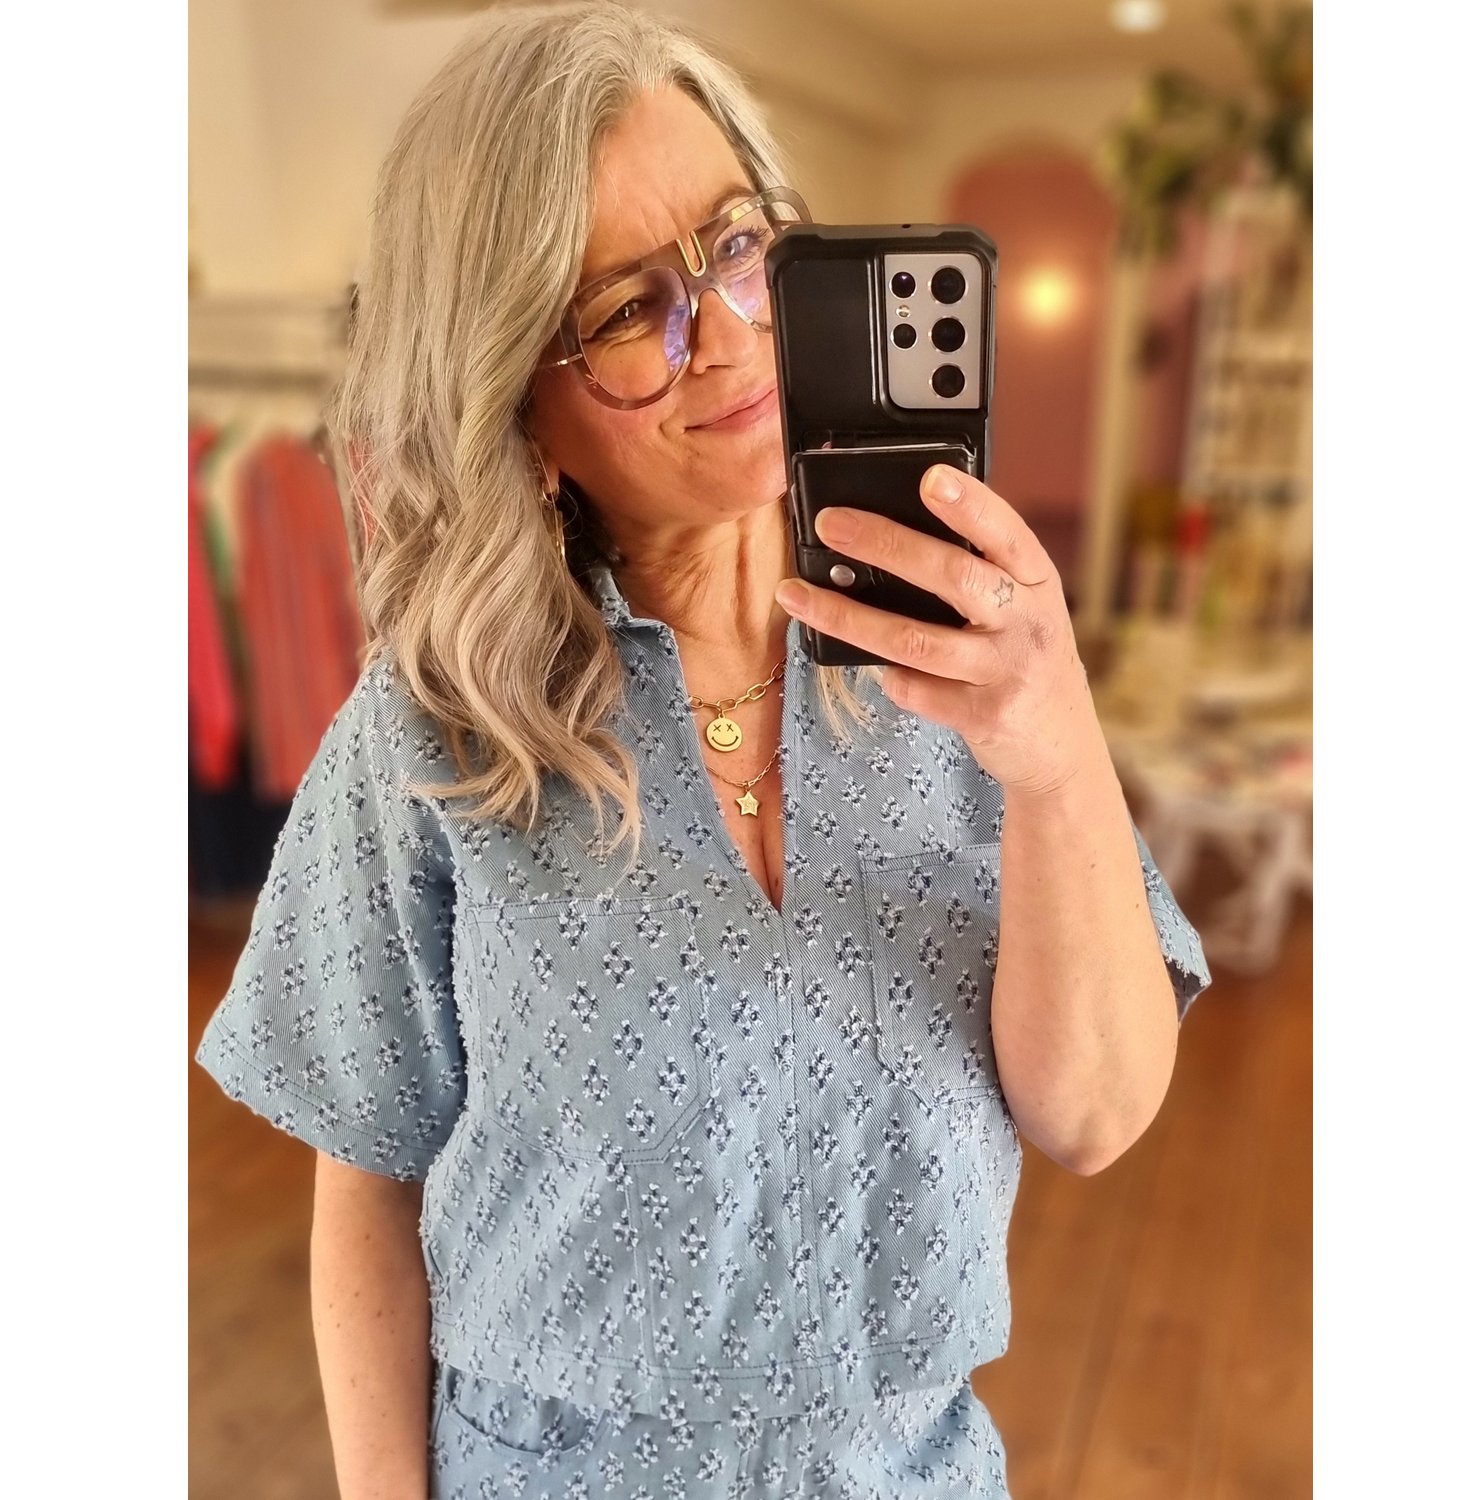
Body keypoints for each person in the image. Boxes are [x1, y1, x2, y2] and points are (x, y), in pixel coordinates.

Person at [193, 4, 1211, 1496]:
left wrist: (1058, 760)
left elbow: (1099, 1117)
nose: (729, 332)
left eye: (738, 241)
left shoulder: (978, 668)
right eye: (624, 310)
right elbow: (367, 1189)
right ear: (514, 402)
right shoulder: (431, 734)